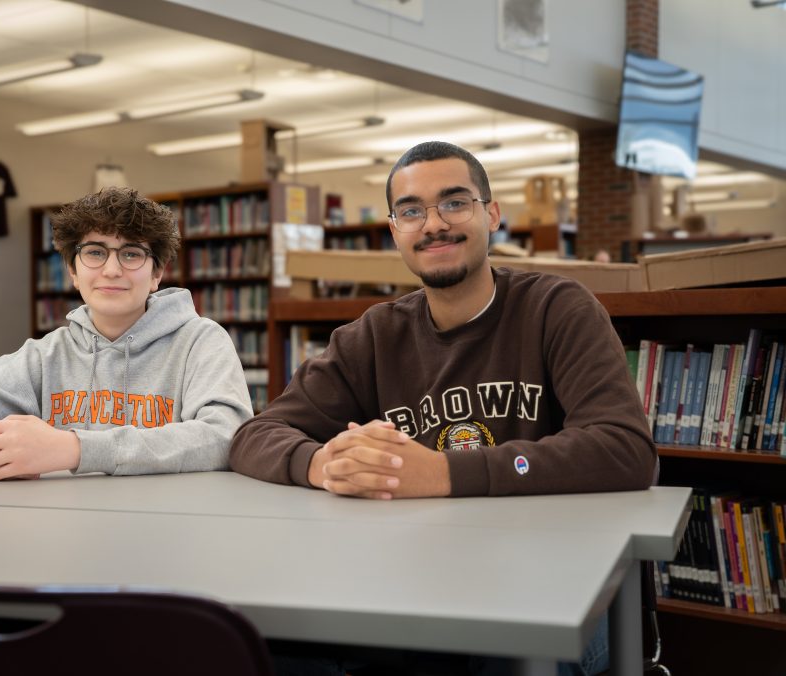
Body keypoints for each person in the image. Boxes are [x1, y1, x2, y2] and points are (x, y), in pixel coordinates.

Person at [230, 142, 657, 676]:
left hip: (553, 578)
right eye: (411, 211)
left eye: (454, 203)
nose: (433, 224)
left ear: (491, 214)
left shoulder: (557, 309)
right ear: (395, 231)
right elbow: (256, 434)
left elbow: (623, 448)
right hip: (418, 577)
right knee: (278, 645)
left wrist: (442, 473)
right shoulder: (374, 336)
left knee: (503, 652)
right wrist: (323, 465)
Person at [0, 187, 253, 480]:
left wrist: (73, 449)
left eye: (131, 254)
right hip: (67, 529)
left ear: (156, 273)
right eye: (95, 252)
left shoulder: (200, 342)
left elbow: (227, 436)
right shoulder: (44, 357)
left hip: (170, 528)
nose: (112, 270)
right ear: (72, 271)